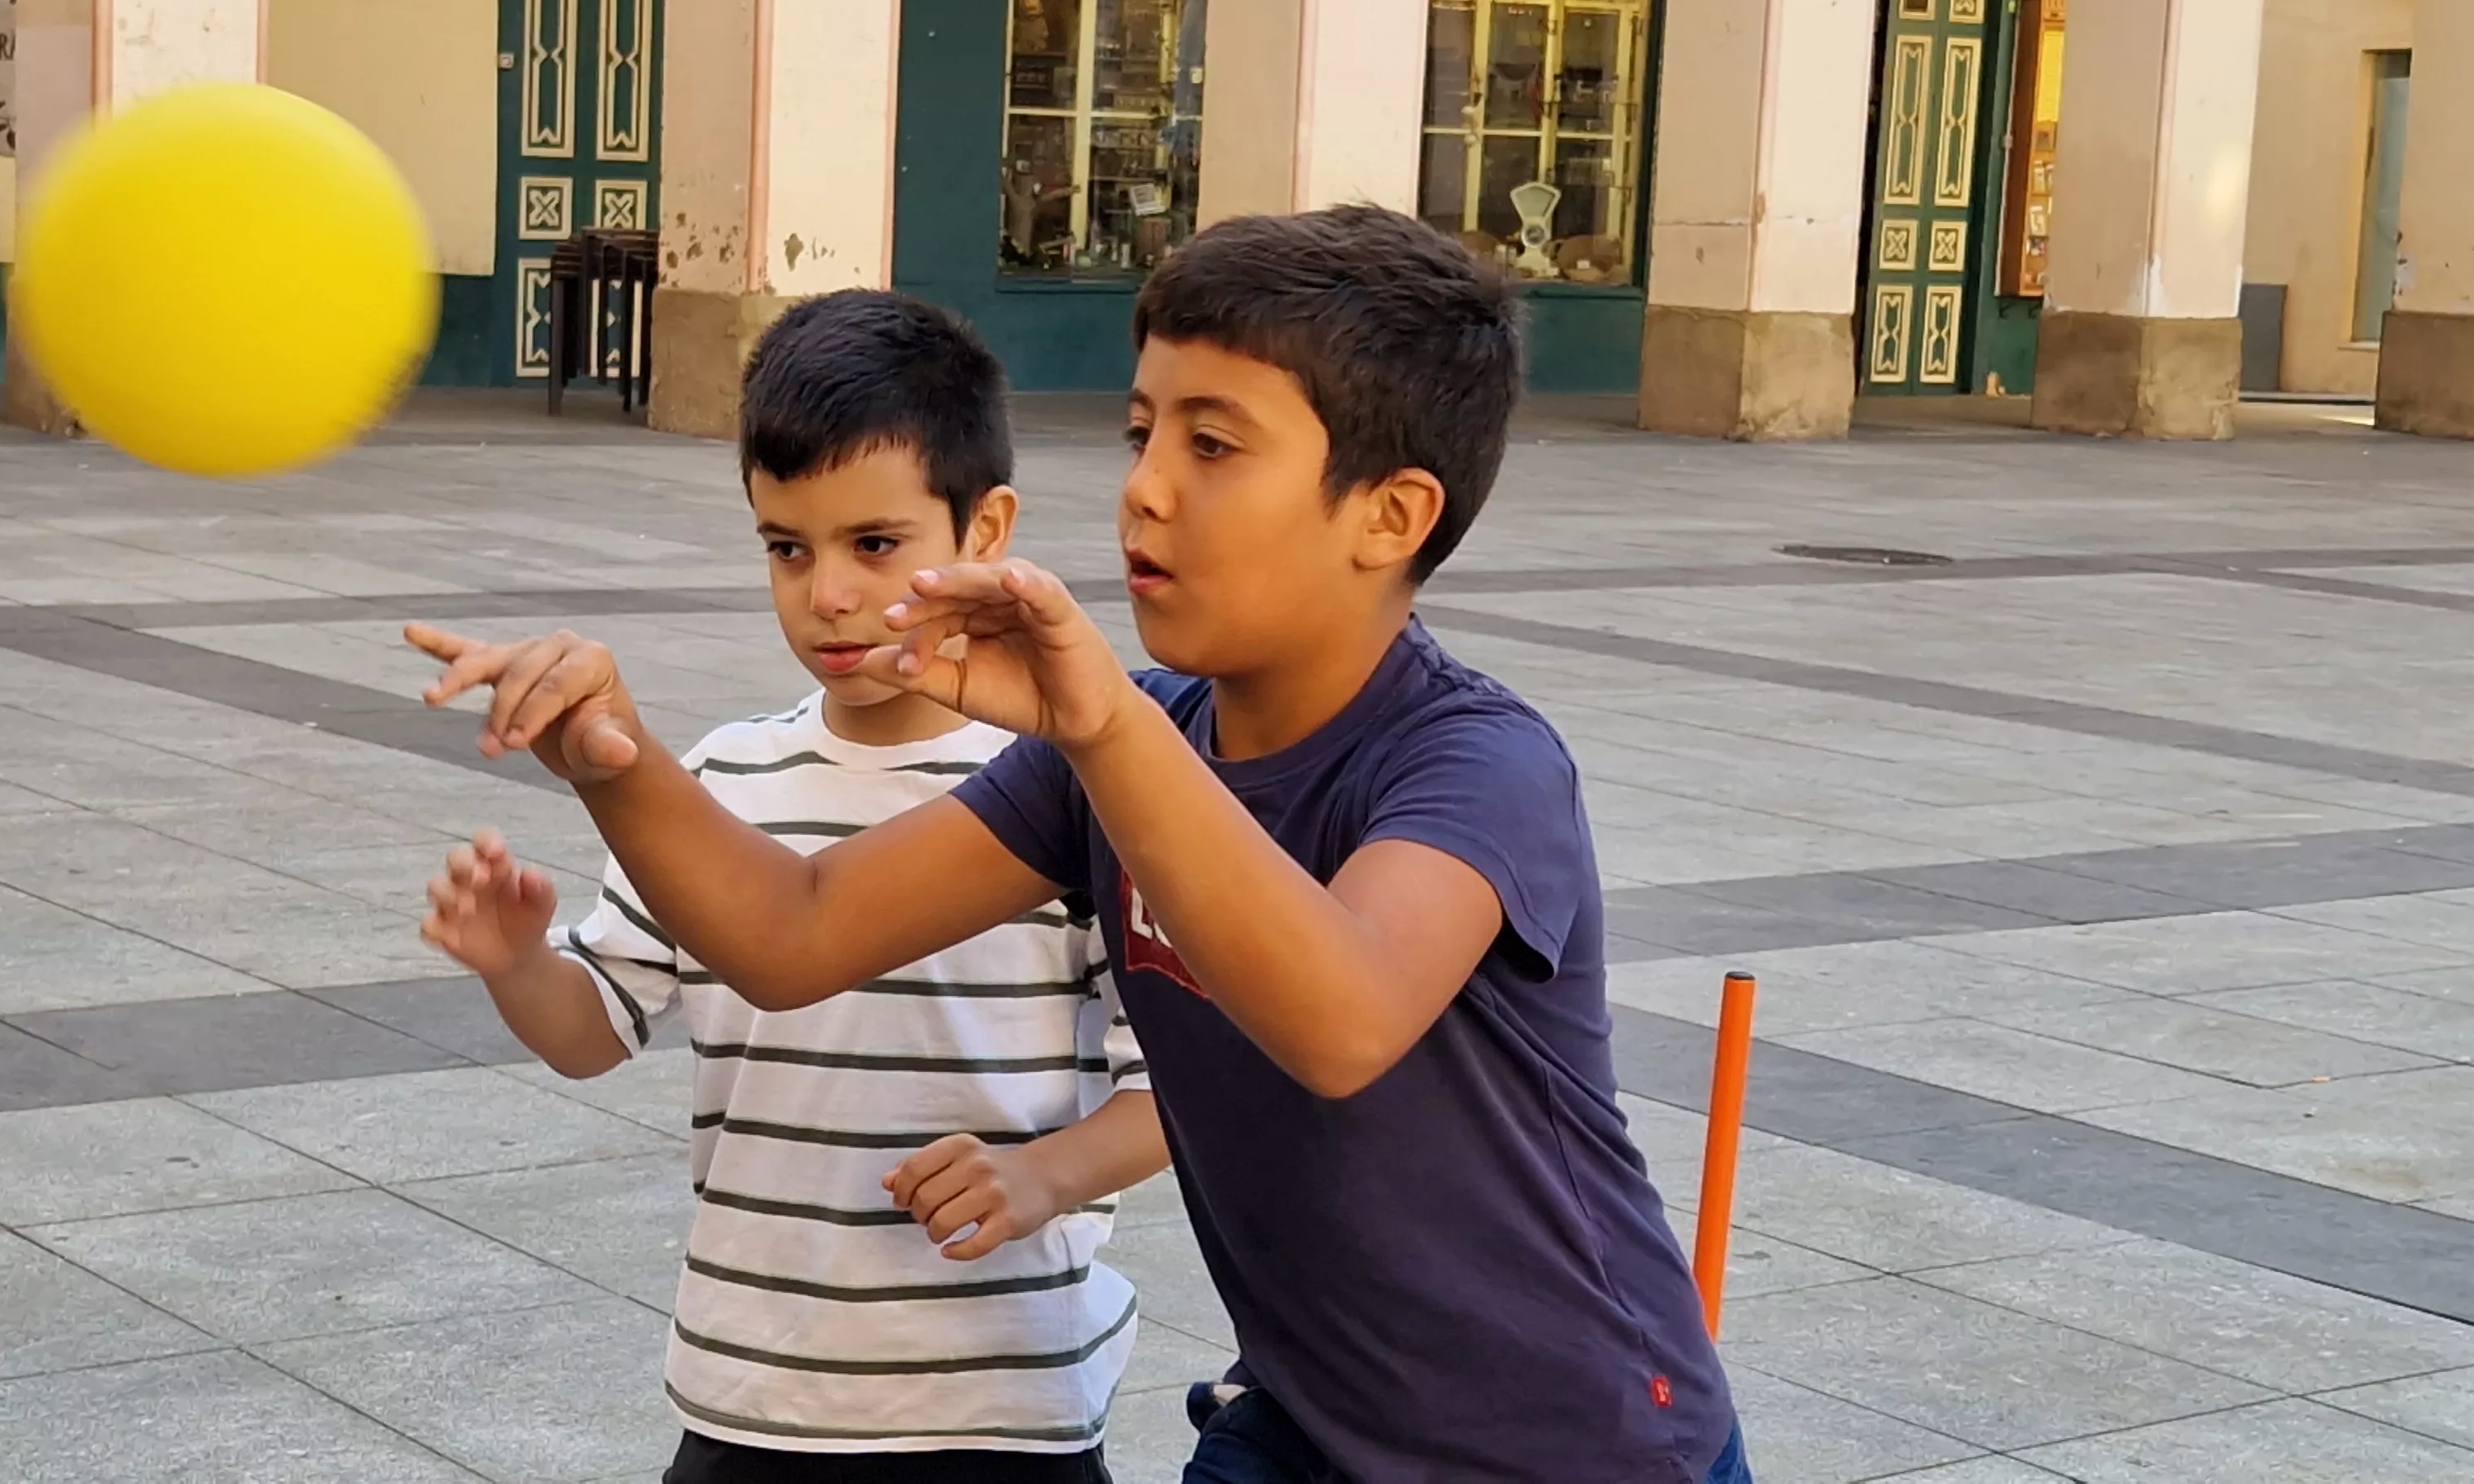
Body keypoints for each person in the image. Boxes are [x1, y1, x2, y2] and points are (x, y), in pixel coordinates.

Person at [408, 205, 1748, 1483]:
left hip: (1569, 1443)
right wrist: (616, 761)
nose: (1144, 492)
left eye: (1213, 448)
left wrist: (1105, 726)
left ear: (1389, 515)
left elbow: (1339, 1021)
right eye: (1139, 431)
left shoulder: (1473, 764)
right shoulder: (1120, 746)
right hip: (1306, 1423)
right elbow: (794, 931)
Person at [415, 289, 1166, 1484]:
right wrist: (517, 961)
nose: (828, 594)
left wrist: (1043, 1174)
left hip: (996, 1405)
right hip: (750, 1400)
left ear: (985, 531)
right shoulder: (720, 782)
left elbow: (1178, 1086)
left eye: (876, 545)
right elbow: (593, 1031)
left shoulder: (1074, 790)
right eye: (786, 547)